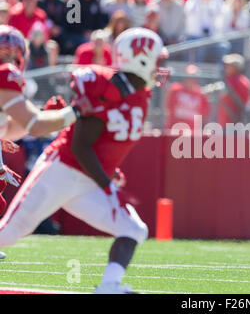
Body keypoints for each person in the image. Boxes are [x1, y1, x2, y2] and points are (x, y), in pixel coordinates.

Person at [0, 27, 170, 294]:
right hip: (62, 170)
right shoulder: (102, 84)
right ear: (142, 58)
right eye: (158, 60)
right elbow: (78, 145)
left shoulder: (140, 98)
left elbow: (106, 144)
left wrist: (109, 175)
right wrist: (106, 184)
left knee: (134, 229)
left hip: (89, 178)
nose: (161, 67)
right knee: (7, 235)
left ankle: (109, 286)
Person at [0, 25, 90, 259]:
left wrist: (44, 113)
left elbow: (9, 129)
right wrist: (75, 112)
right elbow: (36, 125)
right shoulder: (5, 75)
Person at [165, 64, 211, 130]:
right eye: (189, 77)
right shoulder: (175, 90)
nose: (191, 80)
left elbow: (204, 115)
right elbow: (169, 108)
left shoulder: (201, 94)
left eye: (193, 78)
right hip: (174, 129)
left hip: (193, 132)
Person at [217, 53, 250, 127]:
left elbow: (219, 92)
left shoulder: (234, 80)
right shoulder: (244, 80)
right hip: (236, 119)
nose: (226, 67)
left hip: (230, 120)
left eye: (230, 65)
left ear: (236, 67)